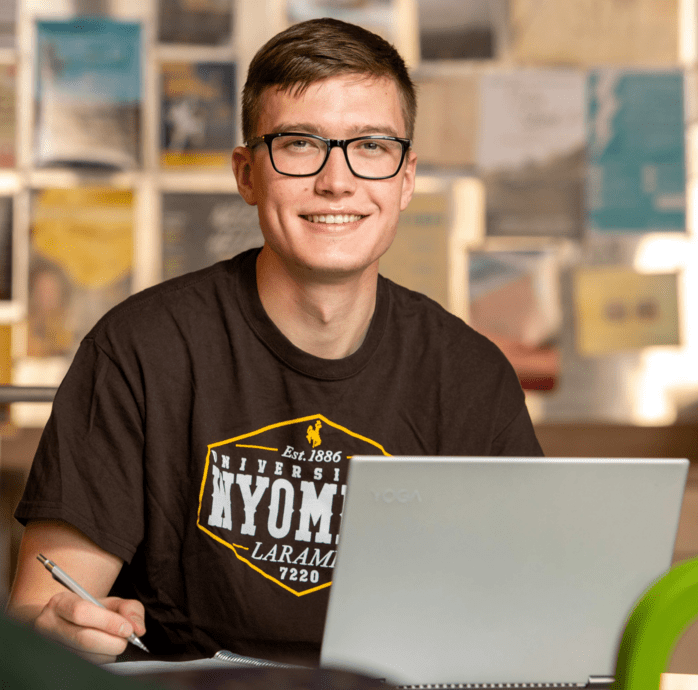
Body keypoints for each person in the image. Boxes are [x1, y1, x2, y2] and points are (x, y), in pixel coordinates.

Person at [7, 18, 543, 667]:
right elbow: (39, 624)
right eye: (299, 144)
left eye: (371, 146)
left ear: (405, 178)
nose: (336, 181)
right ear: (246, 174)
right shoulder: (141, 350)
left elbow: (526, 618)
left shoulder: (470, 376)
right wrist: (63, 632)